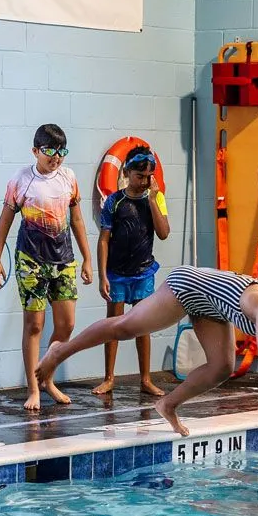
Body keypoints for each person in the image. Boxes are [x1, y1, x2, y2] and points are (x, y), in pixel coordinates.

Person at [37, 270, 258, 436]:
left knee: (222, 366)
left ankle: (167, 404)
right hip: (189, 287)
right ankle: (59, 352)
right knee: (126, 327)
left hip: (212, 307)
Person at [0, 123, 93, 412]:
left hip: (63, 258)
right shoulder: (21, 180)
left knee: (67, 324)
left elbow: (77, 220)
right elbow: (5, 221)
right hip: (31, 259)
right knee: (34, 325)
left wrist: (87, 257)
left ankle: (48, 376)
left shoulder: (69, 178)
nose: (56, 157)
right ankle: (34, 388)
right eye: (50, 151)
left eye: (61, 152)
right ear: (35, 150)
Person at [94, 145, 170, 398]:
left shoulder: (155, 199)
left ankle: (146, 379)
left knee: (143, 325)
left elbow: (163, 233)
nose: (144, 182)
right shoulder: (115, 202)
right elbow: (104, 239)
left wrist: (152, 200)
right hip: (116, 273)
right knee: (113, 324)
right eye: (140, 177)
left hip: (143, 272)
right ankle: (108, 378)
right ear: (126, 172)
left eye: (148, 177)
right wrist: (102, 274)